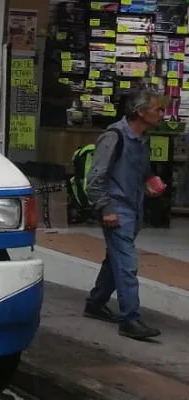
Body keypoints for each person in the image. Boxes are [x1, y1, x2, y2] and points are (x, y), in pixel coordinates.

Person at [83, 89, 166, 340]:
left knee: (115, 260)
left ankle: (95, 304)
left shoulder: (143, 138)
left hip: (133, 207)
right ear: (140, 112)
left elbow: (141, 168)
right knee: (127, 264)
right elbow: (95, 178)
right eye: (158, 110)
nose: (162, 114)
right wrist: (106, 209)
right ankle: (130, 318)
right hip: (116, 208)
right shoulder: (114, 136)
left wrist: (150, 178)